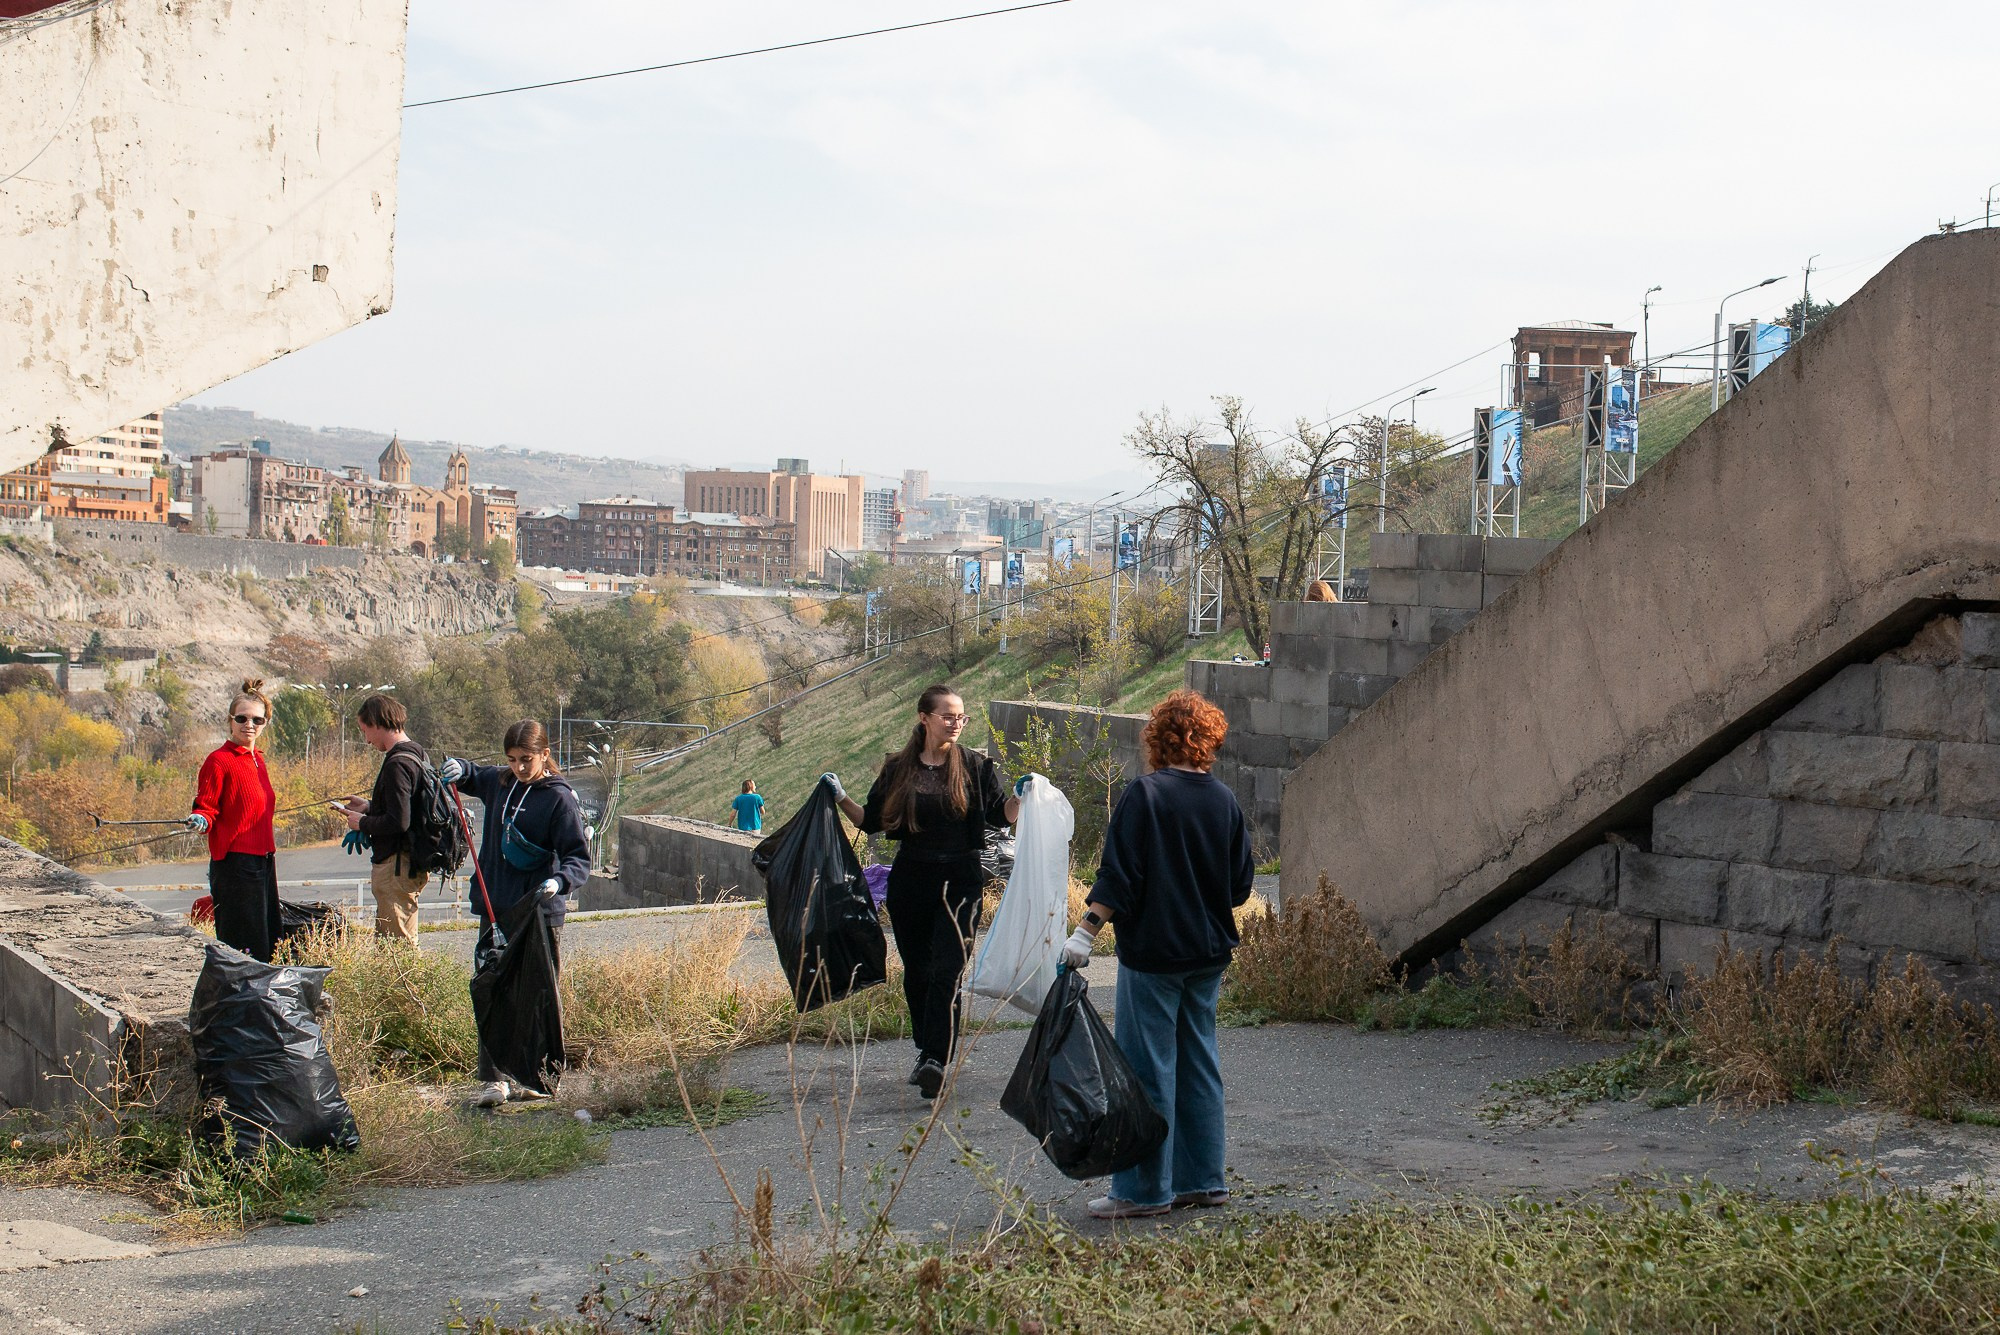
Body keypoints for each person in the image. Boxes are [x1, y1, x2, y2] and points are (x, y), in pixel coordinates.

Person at [1060, 689, 1253, 1220]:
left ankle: (1143, 1191)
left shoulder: (1144, 796)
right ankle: (1203, 1182)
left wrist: (1085, 932)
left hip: (1154, 955)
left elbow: (1119, 878)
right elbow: (1239, 888)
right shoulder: (1224, 800)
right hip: (1208, 953)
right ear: (1207, 741)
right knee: (1199, 1064)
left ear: (1160, 738)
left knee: (1147, 1070)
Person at [823, 684, 1023, 1101]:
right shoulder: (898, 768)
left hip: (962, 879)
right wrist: (840, 797)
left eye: (961, 716)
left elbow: (997, 816)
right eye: (948, 715)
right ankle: (926, 1050)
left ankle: (935, 1057)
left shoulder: (975, 766)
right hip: (911, 880)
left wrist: (1020, 798)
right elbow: (871, 821)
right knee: (918, 970)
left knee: (948, 969)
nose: (956, 723)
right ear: (924, 717)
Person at [438, 720, 591, 1108]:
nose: (520, 767)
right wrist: (459, 766)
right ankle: (494, 1080)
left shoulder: (559, 798)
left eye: (527, 759)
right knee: (493, 993)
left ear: (544, 755)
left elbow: (578, 858)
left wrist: (560, 881)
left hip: (539, 914)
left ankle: (539, 1077)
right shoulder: (501, 783)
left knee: (537, 996)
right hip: (496, 909)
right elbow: (473, 775)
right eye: (512, 759)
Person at [187, 680, 281, 962]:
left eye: (257, 719)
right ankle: (240, 1002)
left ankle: (258, 1001)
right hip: (235, 865)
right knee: (243, 945)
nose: (249, 724)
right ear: (230, 721)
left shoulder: (257, 761)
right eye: (242, 718)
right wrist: (201, 818)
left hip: (264, 861)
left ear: (265, 723)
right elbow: (206, 805)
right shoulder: (219, 761)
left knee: (268, 940)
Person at [340, 694, 430, 945]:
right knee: (391, 944)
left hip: (396, 866)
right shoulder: (416, 753)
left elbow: (398, 821)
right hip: (408, 863)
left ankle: (408, 986)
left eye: (364, 730)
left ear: (377, 723)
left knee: (398, 947)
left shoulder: (397, 764)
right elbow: (409, 808)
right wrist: (370, 807)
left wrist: (362, 823)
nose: (366, 739)